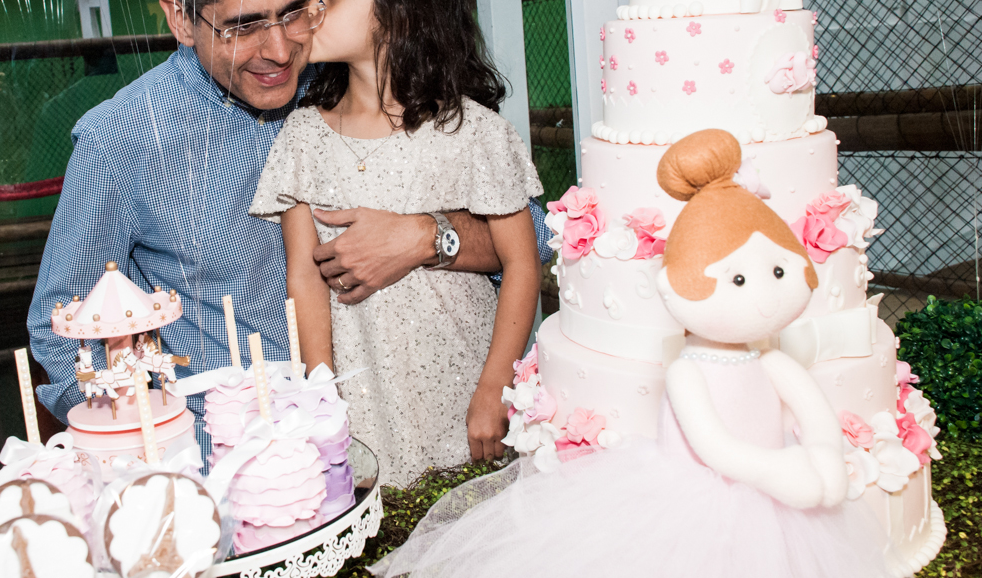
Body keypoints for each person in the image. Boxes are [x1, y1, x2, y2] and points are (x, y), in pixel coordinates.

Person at [27, 0, 552, 451]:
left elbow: (536, 238)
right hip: (239, 467)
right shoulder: (120, 142)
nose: (280, 50)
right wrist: (166, 451)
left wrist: (428, 236)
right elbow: (63, 329)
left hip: (418, 420)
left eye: (295, 11)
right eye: (244, 26)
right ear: (181, 19)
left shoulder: (344, 78)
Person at [372, 130, 889, 578]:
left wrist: (823, 456)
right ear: (674, 287)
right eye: (736, 278)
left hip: (778, 496)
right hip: (708, 495)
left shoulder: (774, 362)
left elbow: (814, 414)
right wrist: (781, 473)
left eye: (778, 271)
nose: (763, 293)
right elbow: (715, 448)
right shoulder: (688, 373)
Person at [249, 0, 544, 483]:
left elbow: (522, 263)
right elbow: (304, 279)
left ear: (399, 12)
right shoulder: (303, 136)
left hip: (463, 389)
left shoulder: (475, 132)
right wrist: (321, 398)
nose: (312, 6)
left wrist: (493, 389)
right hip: (361, 401)